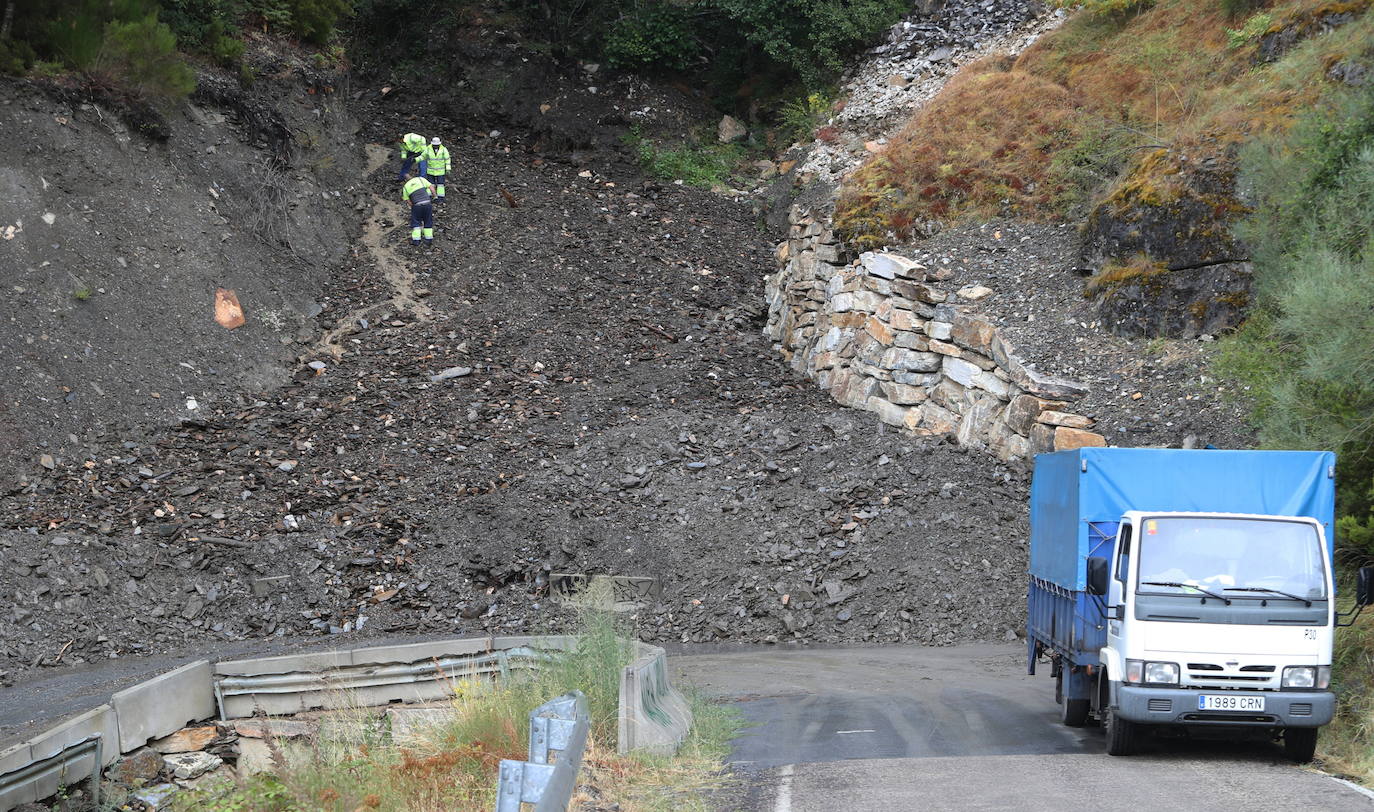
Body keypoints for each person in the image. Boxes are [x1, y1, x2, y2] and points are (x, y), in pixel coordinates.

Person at [401, 170, 436, 247]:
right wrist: (435, 196)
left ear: (405, 180)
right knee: (428, 221)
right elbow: (431, 187)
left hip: (417, 205)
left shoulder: (405, 187)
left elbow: (408, 201)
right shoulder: (420, 179)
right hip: (427, 203)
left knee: (416, 222)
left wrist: (414, 207)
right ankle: (428, 240)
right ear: (412, 177)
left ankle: (416, 241)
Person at [422, 136, 451, 203]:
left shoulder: (443, 150)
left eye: (437, 145)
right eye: (434, 145)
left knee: (440, 185)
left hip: (440, 171)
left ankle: (440, 198)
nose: (435, 146)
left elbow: (447, 159)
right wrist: (416, 159)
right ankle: (429, 197)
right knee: (430, 184)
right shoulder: (428, 149)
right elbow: (423, 156)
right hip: (431, 171)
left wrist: (448, 168)